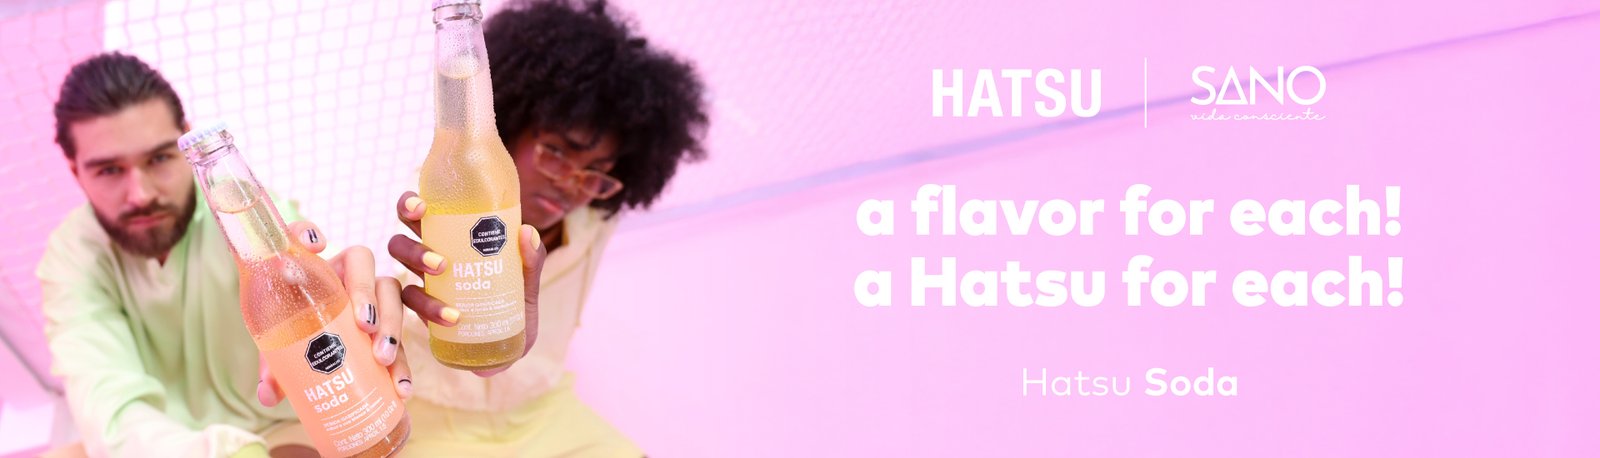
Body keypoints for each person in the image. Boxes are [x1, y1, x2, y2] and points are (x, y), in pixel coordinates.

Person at [37, 52, 411, 458]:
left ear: (187, 140)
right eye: (109, 170)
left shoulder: (239, 207)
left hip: (300, 426)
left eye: (159, 158)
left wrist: (356, 299)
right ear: (75, 171)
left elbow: (328, 271)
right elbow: (109, 410)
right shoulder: (73, 253)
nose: (140, 194)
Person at [380, 0, 709, 455]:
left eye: (595, 173)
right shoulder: (440, 198)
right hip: (432, 415)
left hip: (542, 410)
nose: (571, 184)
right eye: (556, 152)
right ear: (510, 121)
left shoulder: (593, 220)